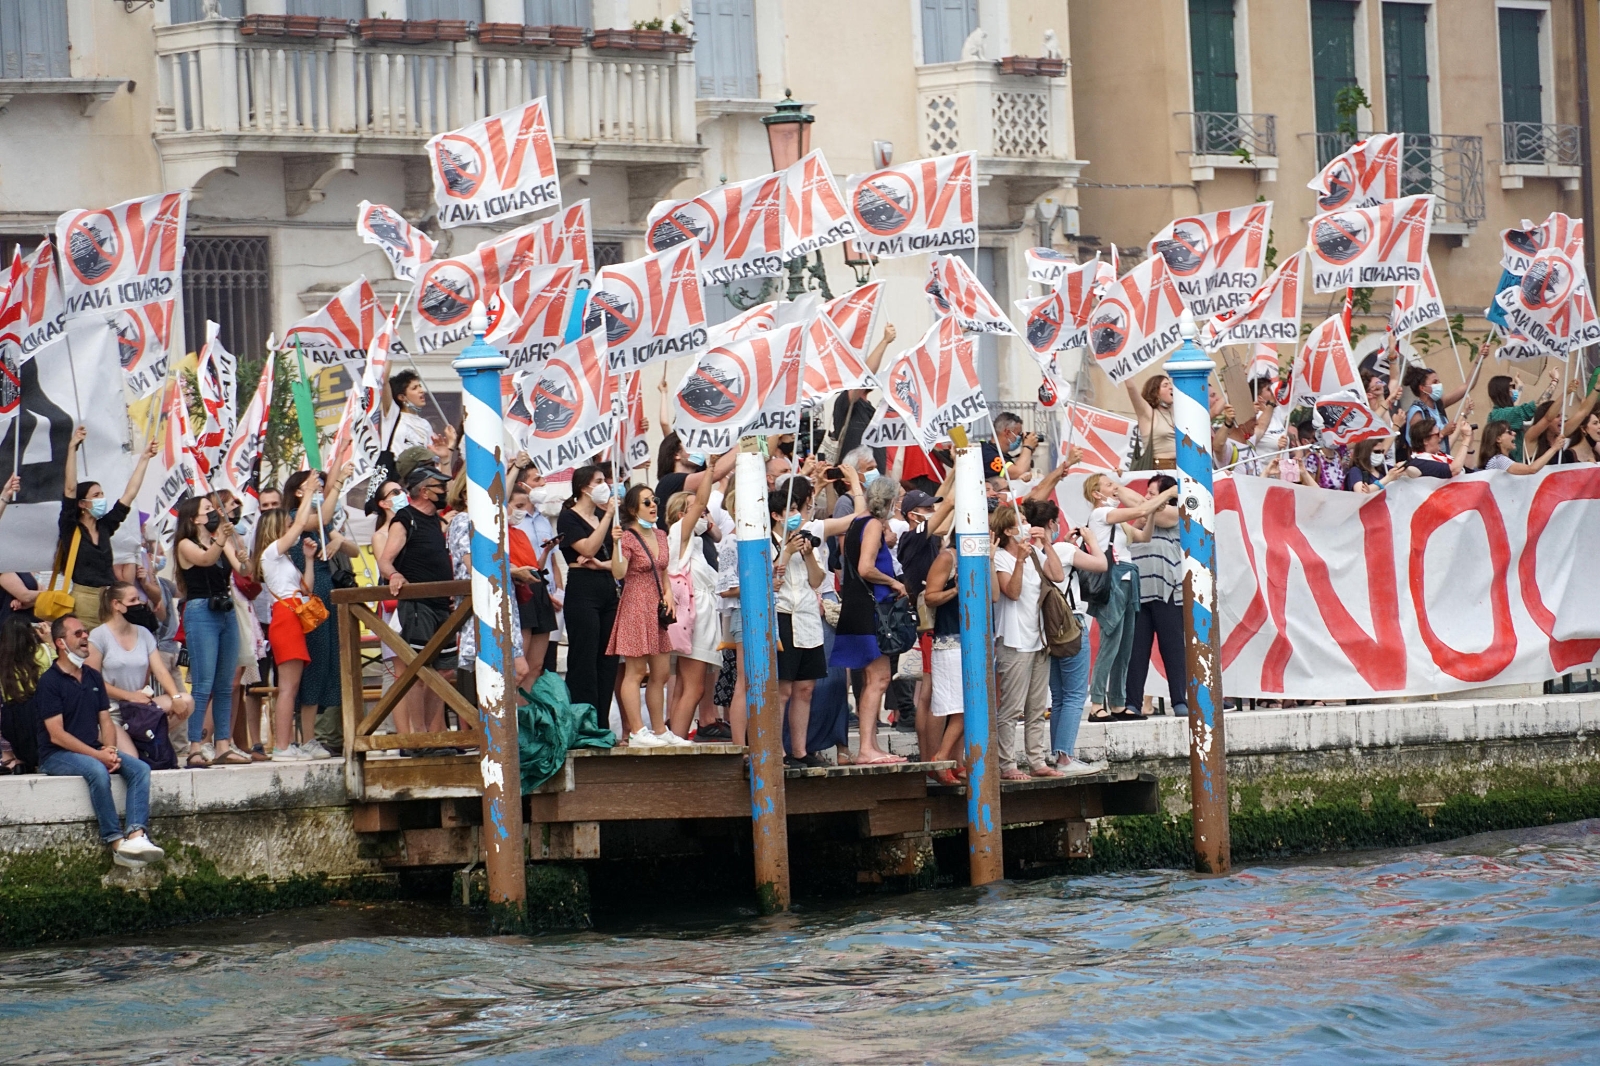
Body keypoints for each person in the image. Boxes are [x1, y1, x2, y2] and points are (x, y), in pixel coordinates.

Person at [36, 615, 165, 868]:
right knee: (97, 770)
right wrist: (99, 757)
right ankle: (116, 843)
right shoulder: (49, 682)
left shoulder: (93, 677)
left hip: (92, 749)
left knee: (140, 769)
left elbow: (106, 720)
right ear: (61, 643)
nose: (86, 637)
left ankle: (136, 836)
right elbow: (56, 734)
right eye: (78, 634)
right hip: (55, 755)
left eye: (85, 632)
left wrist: (110, 749)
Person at [1082, 473, 1177, 723]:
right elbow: (1142, 507)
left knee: (1125, 647)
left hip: (1129, 579)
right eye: (1109, 485)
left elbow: (1144, 536)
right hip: (1114, 582)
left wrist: (1154, 512)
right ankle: (1096, 704)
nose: (1116, 489)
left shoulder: (1118, 520)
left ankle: (1117, 703)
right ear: (1096, 493)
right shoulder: (1100, 515)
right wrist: (1168, 494)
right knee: (1110, 644)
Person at [830, 476, 907, 765]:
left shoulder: (856, 523)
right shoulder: (873, 524)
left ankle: (870, 745)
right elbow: (866, 567)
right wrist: (894, 583)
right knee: (879, 678)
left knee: (871, 679)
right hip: (870, 609)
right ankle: (866, 748)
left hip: (858, 606)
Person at [377, 463, 455, 744]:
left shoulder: (438, 520)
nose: (444, 491)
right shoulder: (405, 518)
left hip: (441, 604)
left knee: (444, 671)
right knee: (418, 672)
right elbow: (385, 560)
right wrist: (395, 574)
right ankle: (419, 736)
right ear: (424, 490)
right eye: (439, 486)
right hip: (418, 605)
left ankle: (435, 733)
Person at [282, 468, 354, 756]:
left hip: (327, 595)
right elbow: (321, 518)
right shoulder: (292, 519)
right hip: (307, 597)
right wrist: (338, 482)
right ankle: (305, 737)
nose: (320, 490)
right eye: (315, 486)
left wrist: (337, 541)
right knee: (310, 666)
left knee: (328, 664)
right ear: (300, 492)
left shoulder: (321, 523)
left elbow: (352, 550)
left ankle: (314, 736)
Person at [990, 502, 1064, 780]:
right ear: (1009, 530)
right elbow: (1012, 592)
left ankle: (1037, 760)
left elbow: (1057, 575)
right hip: (1014, 639)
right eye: (1020, 522)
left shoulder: (1034, 552)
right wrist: (1019, 560)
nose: (1025, 525)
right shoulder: (1000, 558)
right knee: (1011, 707)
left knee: (1036, 706)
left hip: (1039, 638)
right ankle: (1007, 764)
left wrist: (1046, 544)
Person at [56, 429, 159, 627]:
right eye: (96, 495)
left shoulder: (104, 527)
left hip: (109, 598)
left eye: (102, 494)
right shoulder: (71, 529)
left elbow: (129, 494)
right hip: (84, 599)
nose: (102, 498)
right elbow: (69, 489)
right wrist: (72, 448)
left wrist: (144, 458)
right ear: (82, 504)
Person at [173, 495, 248, 766]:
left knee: (226, 683)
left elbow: (242, 569)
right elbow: (205, 560)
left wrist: (243, 557)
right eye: (208, 510)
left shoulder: (222, 539)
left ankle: (223, 745)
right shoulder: (185, 544)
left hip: (225, 610)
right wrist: (221, 540)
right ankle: (195, 746)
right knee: (203, 683)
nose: (213, 513)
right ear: (194, 518)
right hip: (201, 610)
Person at [607, 484, 684, 748]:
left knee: (661, 672)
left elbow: (663, 570)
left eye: (655, 500)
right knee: (636, 671)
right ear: (632, 509)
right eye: (646, 502)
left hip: (656, 607)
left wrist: (669, 593)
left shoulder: (661, 534)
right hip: (635, 605)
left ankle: (660, 729)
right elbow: (619, 573)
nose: (653, 505)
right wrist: (616, 543)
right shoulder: (628, 537)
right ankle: (638, 730)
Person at [770, 477, 838, 768]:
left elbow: (817, 580)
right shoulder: (766, 541)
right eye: (792, 510)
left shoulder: (808, 537)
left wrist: (808, 555)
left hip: (808, 615)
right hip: (783, 614)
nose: (798, 515)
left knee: (806, 689)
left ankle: (800, 750)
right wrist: (786, 550)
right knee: (783, 690)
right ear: (777, 514)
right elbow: (770, 577)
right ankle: (777, 751)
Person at [250, 490, 322, 761]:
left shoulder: (284, 558)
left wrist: (310, 560)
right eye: (287, 525)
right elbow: (301, 524)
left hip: (292, 614)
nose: (292, 527)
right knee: (288, 688)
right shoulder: (271, 552)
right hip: (285, 618)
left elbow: (306, 589)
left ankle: (285, 742)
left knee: (291, 686)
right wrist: (307, 497)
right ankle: (282, 745)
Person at [1035, 502, 1106, 776]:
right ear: (1052, 524)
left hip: (1047, 629)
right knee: (1076, 694)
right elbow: (1100, 564)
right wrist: (1091, 540)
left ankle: (1059, 754)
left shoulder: (1036, 552)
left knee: (1060, 696)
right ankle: (1065, 757)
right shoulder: (1063, 550)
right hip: (1070, 625)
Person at [87, 581, 193, 757]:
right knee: (133, 758)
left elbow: (160, 670)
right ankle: (132, 742)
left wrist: (175, 697)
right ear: (116, 605)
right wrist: (130, 696)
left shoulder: (143, 633)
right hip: (111, 712)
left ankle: (145, 736)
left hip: (139, 708)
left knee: (187, 701)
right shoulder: (99, 636)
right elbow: (93, 681)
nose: (139, 604)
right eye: (133, 600)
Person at [1121, 475, 1185, 720]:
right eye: (1146, 493)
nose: (1146, 497)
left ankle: (1180, 700)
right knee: (1136, 651)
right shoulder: (1143, 515)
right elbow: (1136, 514)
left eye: (1152, 492)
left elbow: (1150, 510)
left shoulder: (1175, 512)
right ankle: (1132, 703)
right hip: (1138, 592)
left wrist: (1166, 499)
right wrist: (1152, 504)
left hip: (1166, 590)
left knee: (1173, 649)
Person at [558, 465, 620, 717]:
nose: (604, 485)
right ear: (585, 487)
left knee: (607, 659)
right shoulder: (569, 517)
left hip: (606, 585)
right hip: (582, 587)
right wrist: (607, 518)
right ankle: (583, 720)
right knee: (584, 656)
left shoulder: (605, 517)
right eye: (598, 481)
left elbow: (616, 559)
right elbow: (587, 549)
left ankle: (602, 721)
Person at [664, 472, 719, 739]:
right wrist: (710, 470)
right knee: (695, 688)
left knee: (684, 686)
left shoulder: (695, 544)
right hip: (694, 618)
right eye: (696, 510)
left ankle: (673, 737)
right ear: (680, 515)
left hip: (702, 617)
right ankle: (678, 738)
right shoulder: (678, 535)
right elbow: (699, 504)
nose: (703, 514)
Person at [381, 368, 455, 463]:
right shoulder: (392, 416)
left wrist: (450, 445)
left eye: (420, 386)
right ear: (402, 397)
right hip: (397, 474)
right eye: (414, 388)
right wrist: (387, 354)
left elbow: (436, 459)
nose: (421, 391)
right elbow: (384, 382)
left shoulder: (425, 424)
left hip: (420, 475)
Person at [1486, 368, 1559, 461]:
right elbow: (1539, 404)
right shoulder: (1505, 414)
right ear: (1503, 391)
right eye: (1512, 387)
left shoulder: (1497, 413)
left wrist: (1520, 386)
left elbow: (1515, 406)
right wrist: (1555, 380)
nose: (1514, 390)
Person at [1403, 404, 1474, 480]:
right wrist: (1465, 440)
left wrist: (1469, 442)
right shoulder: (1420, 462)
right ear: (1425, 440)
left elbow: (1468, 471)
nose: (1440, 436)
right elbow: (1454, 470)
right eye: (1437, 434)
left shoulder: (1440, 455)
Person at [1126, 374, 1178, 468]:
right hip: (1160, 468)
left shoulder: (1175, 412)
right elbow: (1131, 387)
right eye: (1165, 385)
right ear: (1155, 392)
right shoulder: (1147, 413)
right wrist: (1128, 373)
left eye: (1170, 384)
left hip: (1181, 467)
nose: (1171, 387)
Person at [1477, 421, 1562, 474]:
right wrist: (1554, 448)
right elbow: (1532, 469)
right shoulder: (1499, 460)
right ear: (1498, 439)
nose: (1514, 433)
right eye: (1509, 432)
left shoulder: (1501, 459)